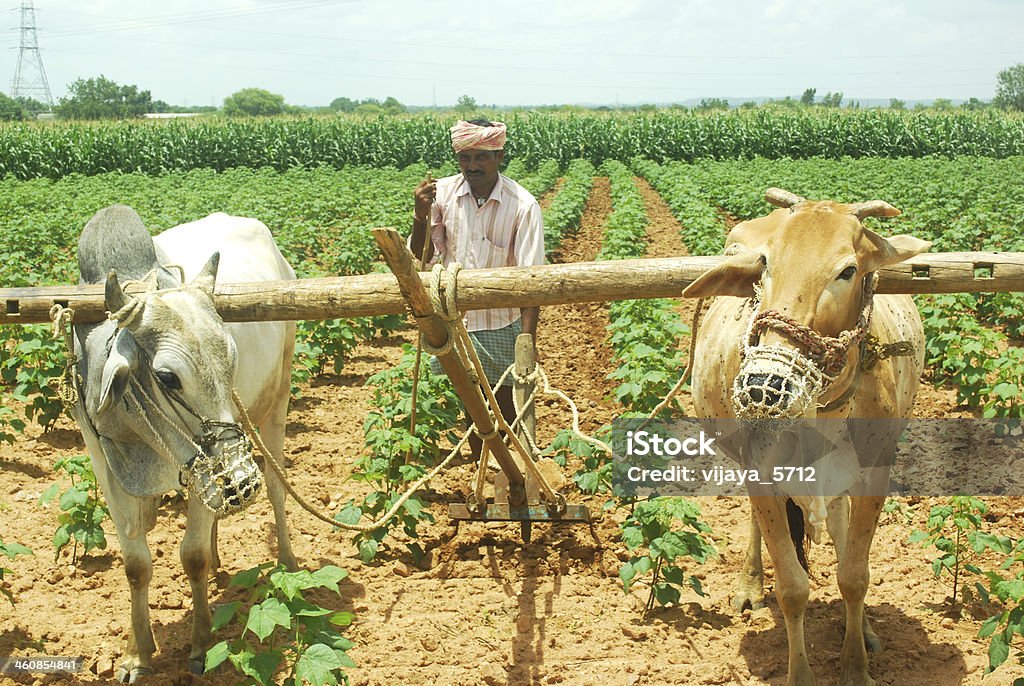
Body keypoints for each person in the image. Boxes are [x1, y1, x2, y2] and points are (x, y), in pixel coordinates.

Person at [410, 118, 545, 461]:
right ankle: (480, 471)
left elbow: (533, 281)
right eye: (466, 158)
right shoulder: (445, 196)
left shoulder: (523, 205)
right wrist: (420, 215)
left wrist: (526, 344)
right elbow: (422, 255)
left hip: (500, 323)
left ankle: (515, 471)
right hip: (455, 323)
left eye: (482, 157)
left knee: (506, 406)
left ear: (499, 156)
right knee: (470, 408)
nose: (473, 166)